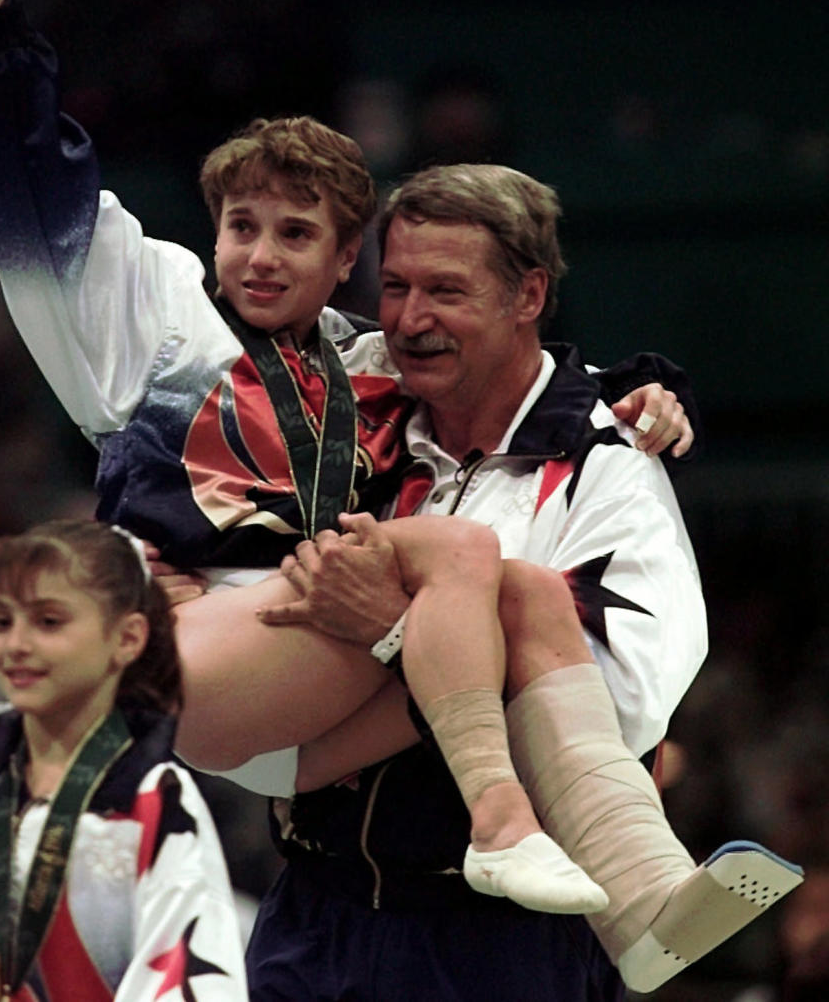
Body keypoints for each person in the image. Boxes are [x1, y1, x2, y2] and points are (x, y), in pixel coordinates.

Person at [0, 0, 697, 917]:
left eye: (296, 235)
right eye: (240, 226)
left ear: (349, 259)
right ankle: (505, 822)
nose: (259, 255)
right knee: (462, 554)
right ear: (210, 234)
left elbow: (528, 371)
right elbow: (35, 183)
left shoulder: (373, 361)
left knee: (524, 593)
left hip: (311, 719)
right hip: (193, 652)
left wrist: (645, 388)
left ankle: (646, 897)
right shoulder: (159, 333)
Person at [234, 164, 803, 1000]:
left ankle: (647, 892)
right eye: (394, 286)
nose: (411, 318)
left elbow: (625, 694)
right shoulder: (346, 411)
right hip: (317, 913)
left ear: (528, 294)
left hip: (509, 939)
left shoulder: (610, 460)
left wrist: (397, 633)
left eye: (446, 291)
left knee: (521, 596)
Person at [0, 518, 247, 1002]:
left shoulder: (153, 803)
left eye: (49, 621)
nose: (16, 646)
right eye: (3, 621)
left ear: (127, 638)